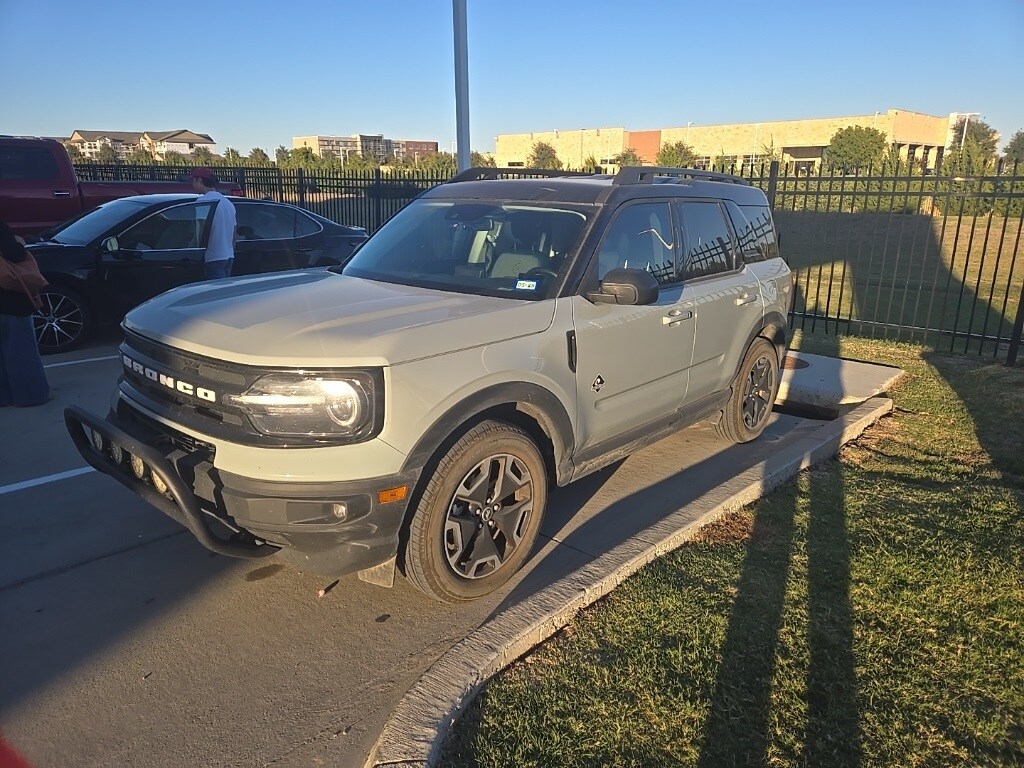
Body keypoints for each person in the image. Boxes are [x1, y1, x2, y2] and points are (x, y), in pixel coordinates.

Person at [0, 221, 50, 407]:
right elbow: (13, 253)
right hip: (10, 301)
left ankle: (4, 397)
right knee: (21, 352)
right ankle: (30, 396)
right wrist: (19, 243)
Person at [190, 167, 237, 279]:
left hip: (213, 257)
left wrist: (193, 248)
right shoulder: (228, 203)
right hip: (228, 256)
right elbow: (234, 232)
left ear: (200, 180)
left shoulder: (203, 202)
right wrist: (231, 250)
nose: (192, 185)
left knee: (216, 293)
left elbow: (201, 228)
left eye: (193, 181)